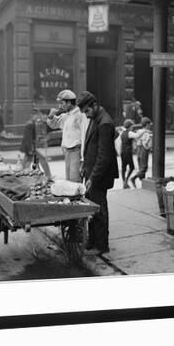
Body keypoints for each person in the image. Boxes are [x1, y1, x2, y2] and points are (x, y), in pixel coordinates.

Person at [77, 91, 119, 254]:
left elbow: (104, 156)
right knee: (91, 209)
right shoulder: (96, 118)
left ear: (94, 105)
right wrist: (84, 165)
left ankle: (102, 245)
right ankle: (92, 240)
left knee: (99, 210)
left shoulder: (105, 123)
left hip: (99, 176)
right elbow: (90, 147)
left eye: (87, 111)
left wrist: (93, 178)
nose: (86, 115)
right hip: (92, 172)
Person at [47, 89, 88, 182]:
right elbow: (54, 124)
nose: (60, 106)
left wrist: (83, 158)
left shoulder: (80, 115)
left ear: (69, 102)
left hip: (76, 151)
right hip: (67, 152)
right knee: (69, 182)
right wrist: (51, 115)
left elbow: (84, 136)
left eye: (62, 103)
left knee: (75, 181)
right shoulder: (66, 116)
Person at [20, 109, 53, 179]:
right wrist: (30, 149)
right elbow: (28, 138)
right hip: (30, 147)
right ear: (33, 115)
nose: (38, 117)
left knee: (29, 161)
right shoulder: (30, 124)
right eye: (37, 115)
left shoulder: (32, 123)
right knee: (41, 159)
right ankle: (48, 175)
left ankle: (22, 174)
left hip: (30, 147)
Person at [129, 117, 153, 188]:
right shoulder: (147, 133)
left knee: (140, 167)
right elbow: (146, 144)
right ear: (147, 124)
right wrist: (149, 147)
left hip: (138, 150)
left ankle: (143, 183)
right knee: (144, 167)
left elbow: (136, 140)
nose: (150, 126)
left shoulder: (138, 132)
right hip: (143, 150)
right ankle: (133, 178)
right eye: (149, 124)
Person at [119, 119, 135, 188]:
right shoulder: (130, 133)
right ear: (130, 126)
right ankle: (126, 180)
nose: (133, 127)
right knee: (132, 167)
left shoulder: (122, 133)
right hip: (128, 152)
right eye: (132, 126)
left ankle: (124, 182)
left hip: (122, 151)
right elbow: (137, 136)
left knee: (123, 167)